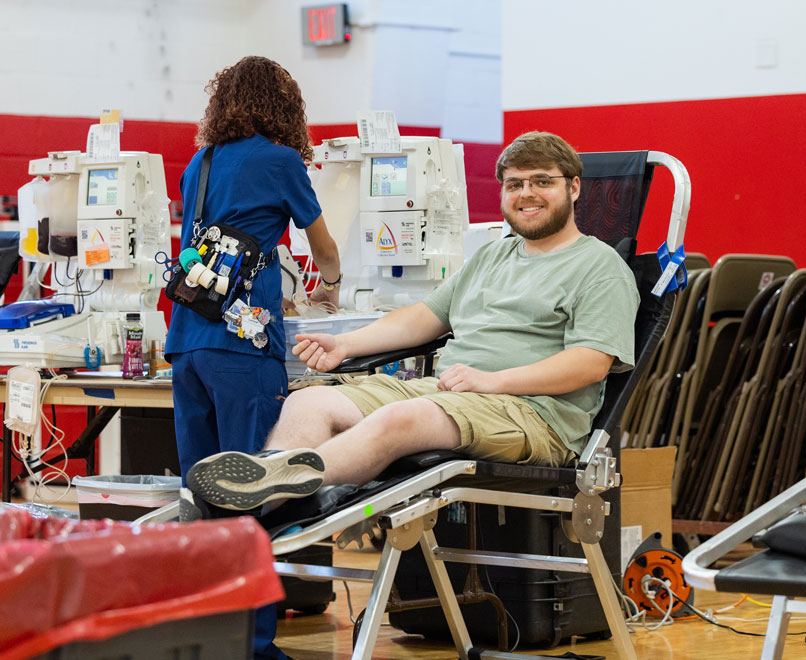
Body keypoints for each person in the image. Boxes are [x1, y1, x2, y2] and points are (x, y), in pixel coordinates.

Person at [185, 130, 639, 514]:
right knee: (309, 404)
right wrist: (348, 345)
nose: (526, 194)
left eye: (543, 182)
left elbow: (589, 364)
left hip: (531, 413)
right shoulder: (492, 256)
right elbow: (425, 316)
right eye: (515, 184)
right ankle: (270, 494)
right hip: (453, 392)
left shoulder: (600, 267)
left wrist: (494, 380)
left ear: (574, 188)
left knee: (401, 419)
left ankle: (259, 500)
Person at [164, 55, 340, 660]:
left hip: (186, 342)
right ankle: (253, 646)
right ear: (285, 106)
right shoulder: (281, 159)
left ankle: (206, 639)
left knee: (203, 504)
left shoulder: (201, 162)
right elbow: (323, 245)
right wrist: (330, 284)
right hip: (243, 347)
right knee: (251, 499)